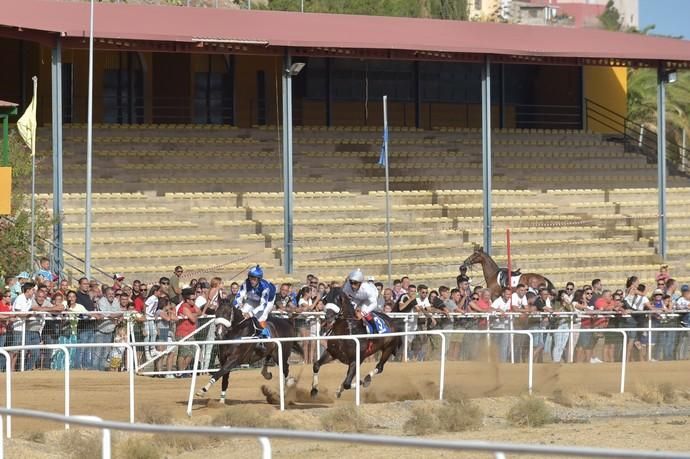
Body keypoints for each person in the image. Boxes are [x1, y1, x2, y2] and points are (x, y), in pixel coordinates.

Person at [234, 265, 276, 338]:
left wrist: (250, 314)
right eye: (250, 277)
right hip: (254, 297)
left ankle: (265, 336)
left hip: (267, 301)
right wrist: (238, 307)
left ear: (259, 279)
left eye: (254, 279)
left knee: (261, 317)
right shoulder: (246, 283)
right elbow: (238, 297)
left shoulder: (264, 287)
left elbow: (263, 305)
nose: (251, 280)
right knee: (242, 312)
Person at [342, 269, 384, 334]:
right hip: (357, 297)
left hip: (369, 299)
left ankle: (374, 328)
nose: (352, 285)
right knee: (350, 309)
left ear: (360, 283)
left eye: (355, 283)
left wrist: (362, 314)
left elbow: (374, 304)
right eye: (351, 282)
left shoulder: (367, 290)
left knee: (364, 310)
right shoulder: (347, 286)